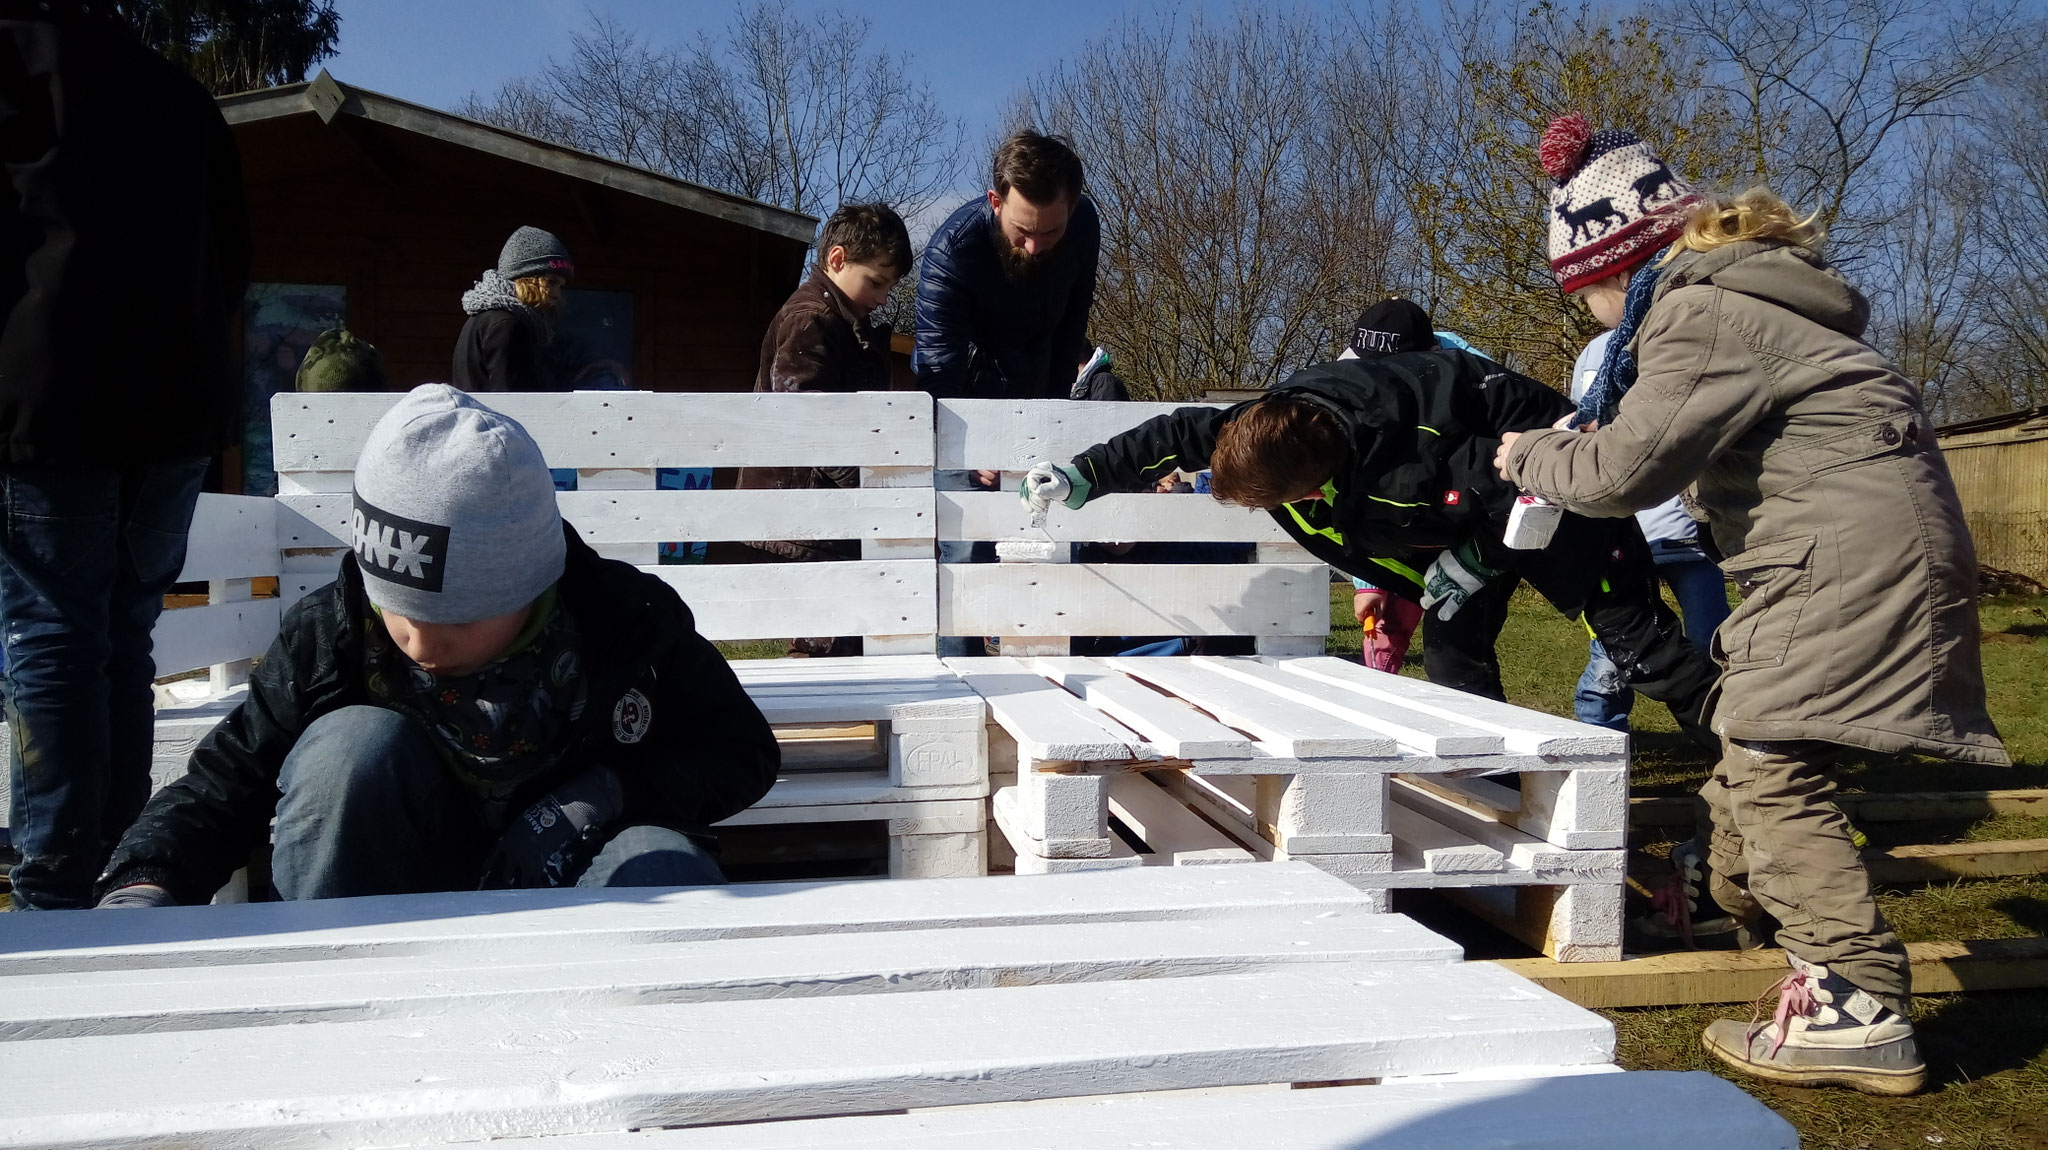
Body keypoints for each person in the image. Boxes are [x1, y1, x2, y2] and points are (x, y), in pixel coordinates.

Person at [1497, 115, 2008, 1094]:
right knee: (1753, 743)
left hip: (1838, 562)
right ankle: (1724, 893)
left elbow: (1622, 471)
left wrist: (1530, 455)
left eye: (1588, 303)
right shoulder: (1744, 303)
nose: (1595, 325)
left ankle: (1853, 1006)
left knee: (1772, 767)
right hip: (1854, 552)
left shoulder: (1696, 313)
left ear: (1616, 270)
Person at [94, 386, 780, 906]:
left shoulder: (626, 619)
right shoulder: (333, 634)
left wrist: (608, 792)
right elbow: (224, 786)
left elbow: (742, 750)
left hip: (586, 872)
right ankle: (339, 1002)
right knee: (347, 750)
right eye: (400, 612)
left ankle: (660, 1064)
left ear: (531, 585)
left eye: (456, 621)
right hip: (396, 895)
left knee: (661, 863)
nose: (420, 644)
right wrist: (144, 882)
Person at [1019, 346, 1721, 745]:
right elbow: (1170, 436)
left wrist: (1474, 560)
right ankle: (1496, 782)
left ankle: (1749, 738)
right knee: (1454, 657)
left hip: (1558, 494)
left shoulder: (1404, 469)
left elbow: (1511, 487)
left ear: (1314, 486)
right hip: (1460, 522)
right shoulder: (1266, 424)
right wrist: (1084, 475)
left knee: (1640, 647)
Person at [0, 6, 249, 910]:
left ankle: (53, 882)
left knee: (54, 633)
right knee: (120, 635)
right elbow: (234, 256)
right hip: (175, 402)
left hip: (52, 389)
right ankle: (120, 863)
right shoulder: (182, 98)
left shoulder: (15, 69)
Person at [731, 202, 914, 657]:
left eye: (889, 287)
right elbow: (804, 422)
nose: (882, 297)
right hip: (805, 509)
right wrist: (862, 483)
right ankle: (822, 716)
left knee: (840, 625)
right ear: (837, 260)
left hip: (818, 505)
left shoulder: (846, 324)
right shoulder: (810, 320)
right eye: (875, 281)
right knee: (824, 634)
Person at [1564, 329, 1730, 733]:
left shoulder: (1701, 332)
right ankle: (1599, 740)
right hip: (1620, 529)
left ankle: (1732, 742)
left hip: (1690, 531)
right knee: (1617, 649)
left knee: (1716, 646)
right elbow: (1582, 426)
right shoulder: (1598, 350)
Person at [913, 130, 1101, 400]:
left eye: (1051, 231)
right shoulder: (951, 252)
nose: (1034, 246)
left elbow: (1073, 321)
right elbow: (940, 371)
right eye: (1022, 230)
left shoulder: (1083, 224)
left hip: (1040, 382)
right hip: (970, 393)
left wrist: (1058, 404)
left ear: (1072, 209)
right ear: (996, 202)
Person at [452, 225, 575, 392]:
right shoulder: (506, 324)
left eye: (561, 286)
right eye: (551, 282)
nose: (556, 294)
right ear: (527, 279)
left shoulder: (485, 317)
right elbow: (513, 399)